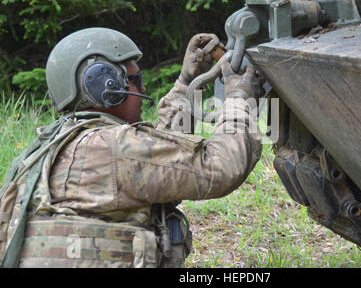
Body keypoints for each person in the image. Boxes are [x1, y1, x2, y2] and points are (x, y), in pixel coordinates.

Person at [0, 27, 264, 268]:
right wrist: (239, 99)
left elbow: (160, 164)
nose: (144, 87)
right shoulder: (112, 147)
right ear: (106, 85)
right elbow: (220, 167)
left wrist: (186, 82)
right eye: (136, 79)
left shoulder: (56, 145)